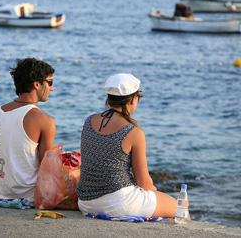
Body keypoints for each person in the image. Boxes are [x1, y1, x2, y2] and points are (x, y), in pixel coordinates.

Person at [76, 73, 185, 219]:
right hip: (118, 203)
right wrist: (153, 190)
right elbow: (144, 183)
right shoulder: (133, 132)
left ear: (109, 98)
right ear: (133, 99)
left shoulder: (89, 121)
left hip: (86, 203)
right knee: (181, 208)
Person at [0, 58, 56, 203]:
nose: (51, 88)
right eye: (50, 83)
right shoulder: (43, 120)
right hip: (24, 195)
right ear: (36, 84)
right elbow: (49, 169)